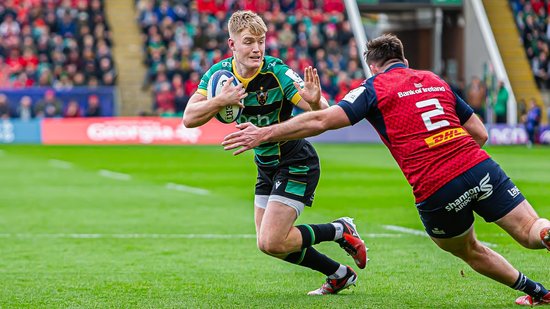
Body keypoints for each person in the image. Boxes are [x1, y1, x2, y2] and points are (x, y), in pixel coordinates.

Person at [223, 33, 550, 306]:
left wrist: (265, 132)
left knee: (470, 250)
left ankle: (537, 291)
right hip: (479, 166)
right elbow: (479, 133)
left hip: (436, 186)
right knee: (533, 231)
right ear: (403, 60)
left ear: (373, 66)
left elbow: (323, 120)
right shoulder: (434, 79)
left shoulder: (372, 87)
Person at [182, 10, 367, 295]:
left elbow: (324, 116)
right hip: (266, 165)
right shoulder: (218, 75)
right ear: (232, 45)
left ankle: (339, 229)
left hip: (295, 161)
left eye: (261, 41)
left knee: (272, 240)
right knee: (270, 245)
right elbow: (189, 118)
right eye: (248, 42)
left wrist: (316, 101)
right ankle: (338, 273)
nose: (257, 48)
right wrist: (220, 100)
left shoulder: (277, 72)